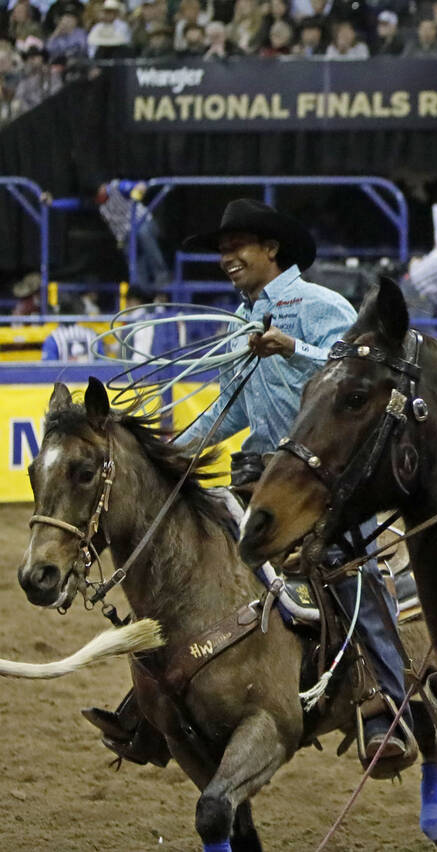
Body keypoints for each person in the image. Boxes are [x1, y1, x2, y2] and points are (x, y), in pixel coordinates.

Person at [83, 199, 415, 779]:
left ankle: (389, 700)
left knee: (347, 566)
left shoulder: (320, 307)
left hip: (323, 475)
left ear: (271, 250)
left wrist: (296, 349)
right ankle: (151, 705)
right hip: (257, 474)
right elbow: (230, 407)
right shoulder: (244, 320)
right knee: (187, 561)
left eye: (237, 246)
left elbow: (356, 374)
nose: (227, 258)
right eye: (221, 249)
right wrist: (176, 455)